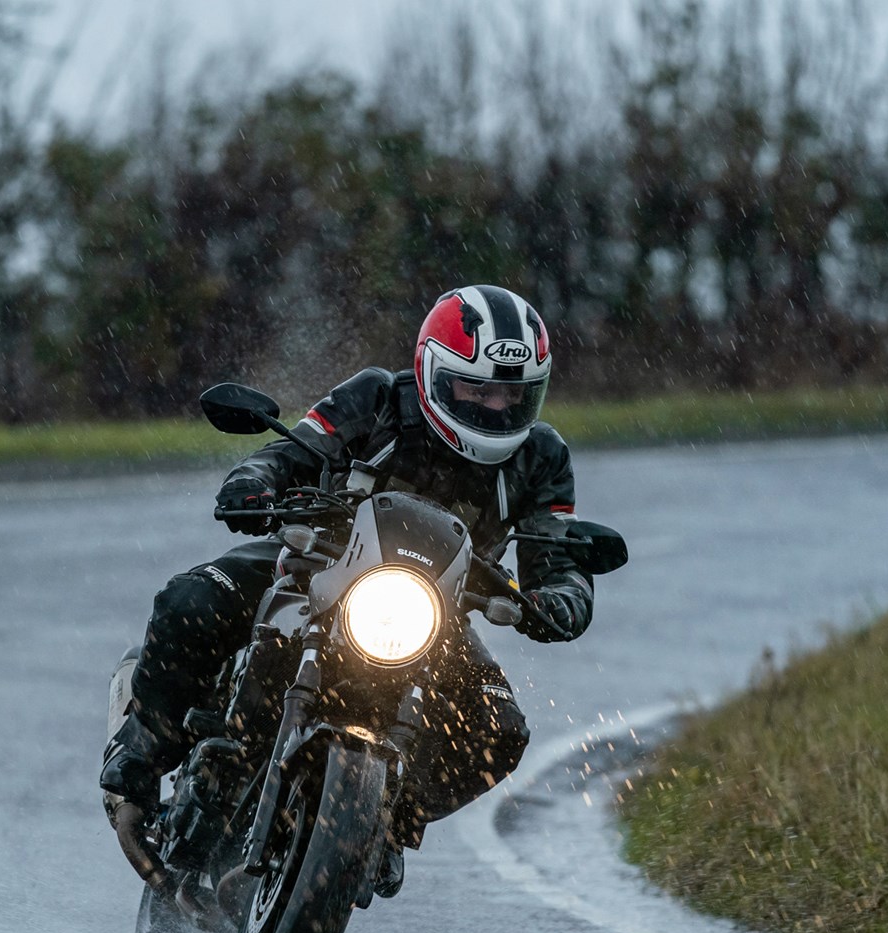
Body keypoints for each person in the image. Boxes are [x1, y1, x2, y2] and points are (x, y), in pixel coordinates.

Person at [100, 284, 594, 891]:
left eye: (511, 393)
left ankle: (388, 820)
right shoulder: (379, 397)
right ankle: (139, 758)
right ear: (435, 371)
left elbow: (560, 558)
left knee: (500, 729)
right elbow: (295, 452)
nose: (495, 406)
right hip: (314, 563)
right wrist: (254, 481)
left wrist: (558, 601)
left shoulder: (542, 456)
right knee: (189, 600)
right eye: (477, 387)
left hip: (433, 614)